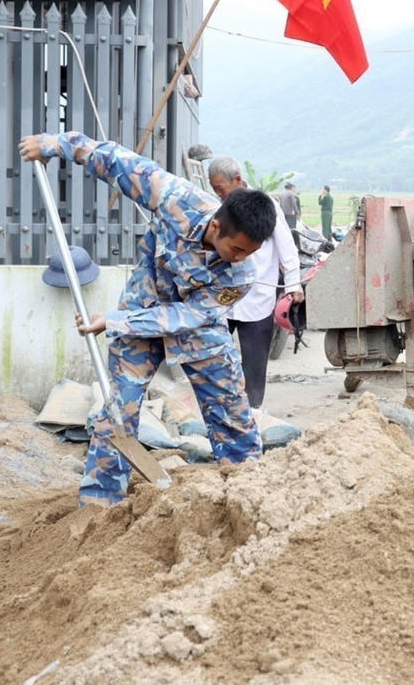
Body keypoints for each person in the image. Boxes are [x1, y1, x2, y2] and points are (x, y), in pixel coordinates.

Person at [18, 131, 277, 507]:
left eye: (247, 253)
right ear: (218, 226)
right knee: (116, 412)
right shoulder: (176, 199)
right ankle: (99, 505)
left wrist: (116, 322)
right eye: (236, 248)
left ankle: (250, 494)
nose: (239, 258)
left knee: (232, 413)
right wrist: (58, 145)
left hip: (196, 331)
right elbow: (119, 162)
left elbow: (189, 315)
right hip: (141, 310)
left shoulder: (242, 274)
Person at [208, 157, 305, 439]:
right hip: (223, 300)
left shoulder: (267, 207)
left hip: (258, 297)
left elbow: (287, 247)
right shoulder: (218, 208)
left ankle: (252, 416)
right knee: (215, 357)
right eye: (215, 189)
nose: (219, 194)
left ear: (238, 180)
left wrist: (293, 283)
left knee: (254, 361)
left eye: (221, 187)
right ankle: (217, 414)